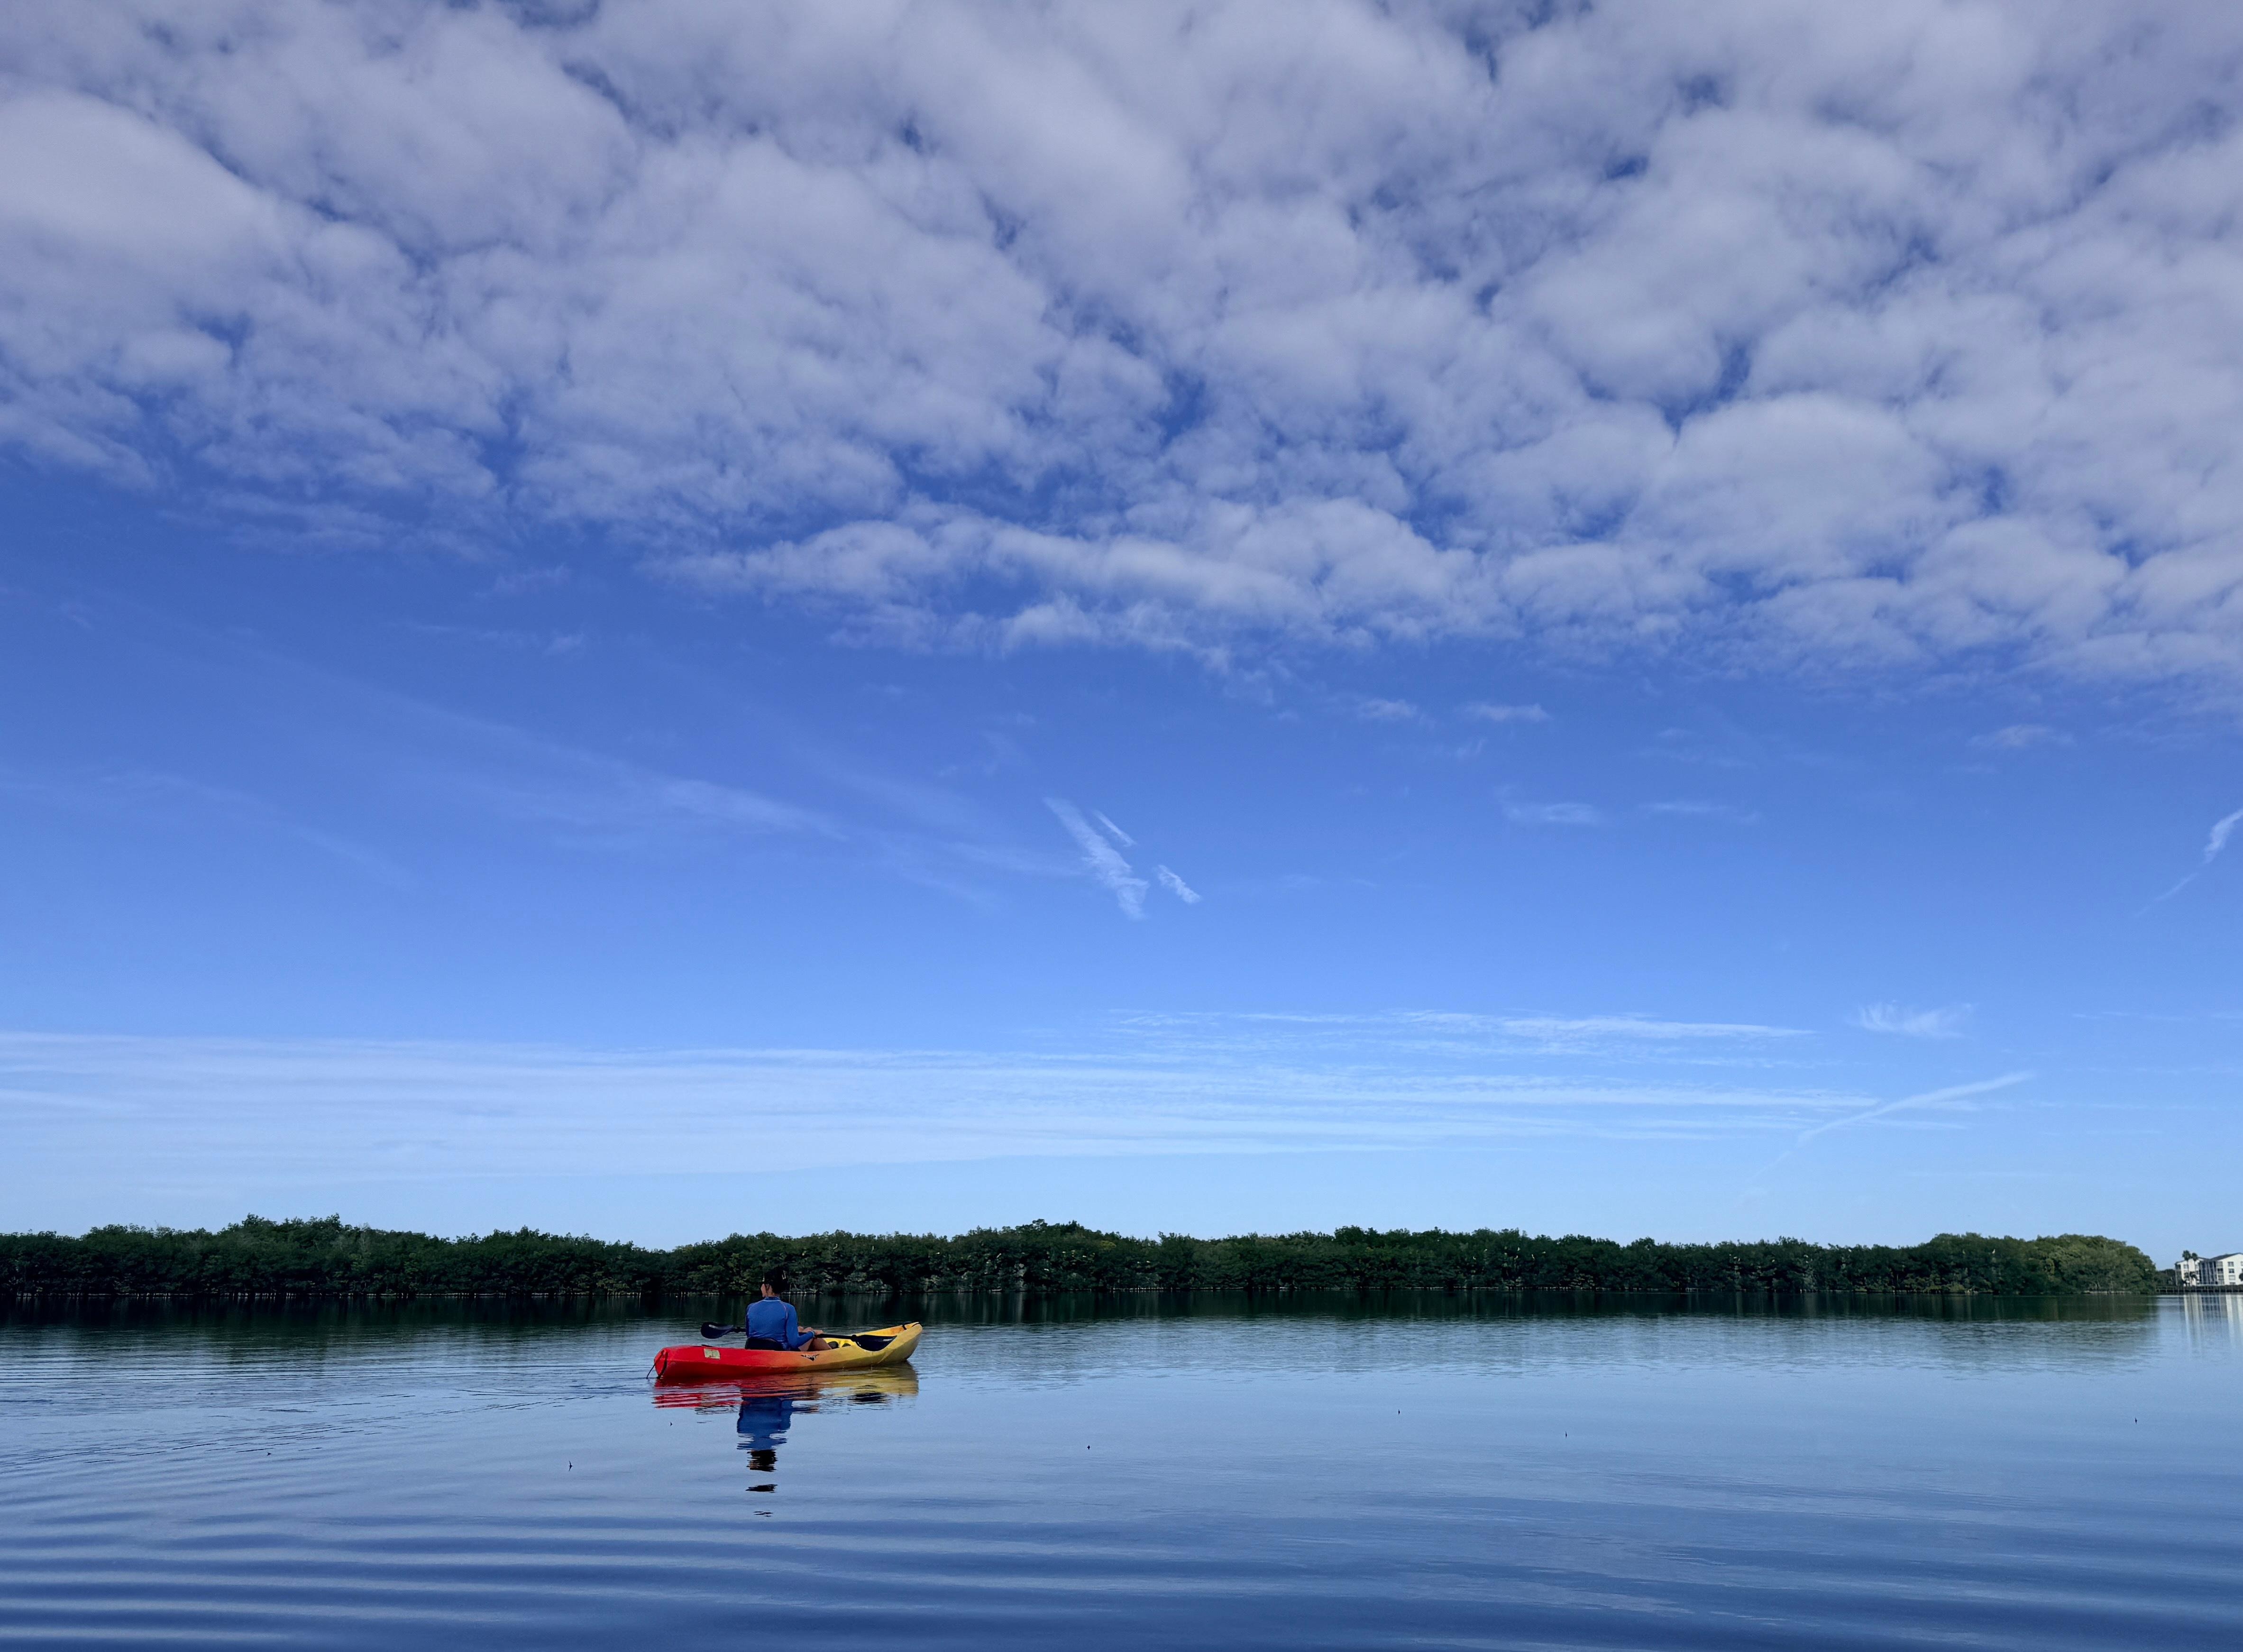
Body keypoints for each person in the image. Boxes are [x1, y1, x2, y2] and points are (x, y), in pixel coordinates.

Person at [743, 1277, 828, 1351]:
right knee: (810, 1332)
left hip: (752, 1347)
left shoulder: (751, 1307)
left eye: (762, 1284)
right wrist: (812, 1333)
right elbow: (794, 1343)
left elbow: (749, 1334)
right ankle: (832, 1352)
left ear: (767, 1286)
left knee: (800, 1329)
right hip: (778, 1352)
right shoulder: (788, 1309)